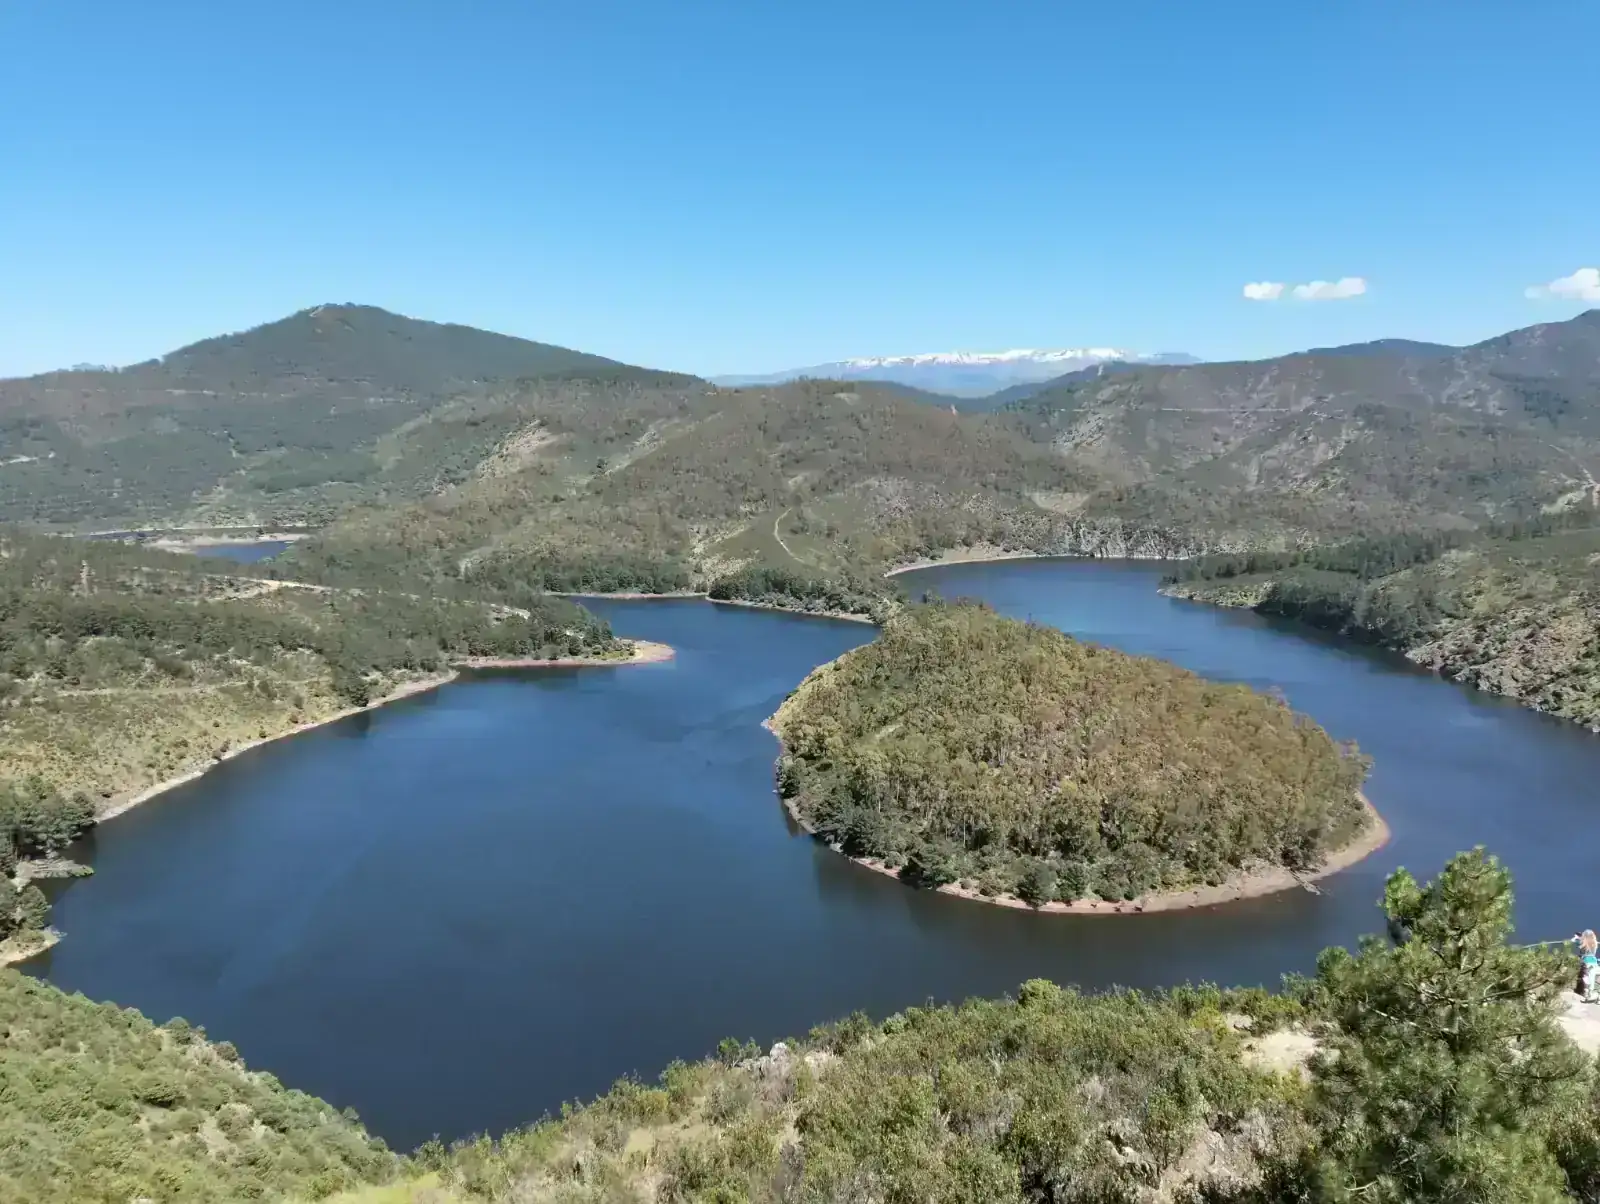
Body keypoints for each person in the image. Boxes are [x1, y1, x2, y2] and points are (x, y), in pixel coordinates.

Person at [1574, 930, 1599, 1002]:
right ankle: (1592, 993)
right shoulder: (1594, 943)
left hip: (1587, 962)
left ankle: (1589, 993)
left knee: (1587, 977)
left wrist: (1576, 938)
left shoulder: (1584, 943)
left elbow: (1576, 942)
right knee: (1591, 976)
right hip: (1593, 962)